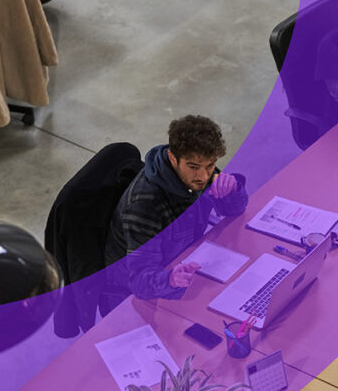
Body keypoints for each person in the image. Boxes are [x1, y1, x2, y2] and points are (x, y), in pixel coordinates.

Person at [104, 115, 248, 303]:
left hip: (186, 262)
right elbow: (139, 281)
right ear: (172, 157)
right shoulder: (145, 206)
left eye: (211, 165)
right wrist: (170, 279)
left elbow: (234, 210)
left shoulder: (200, 167)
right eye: (194, 167)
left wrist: (232, 188)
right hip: (141, 291)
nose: (203, 176)